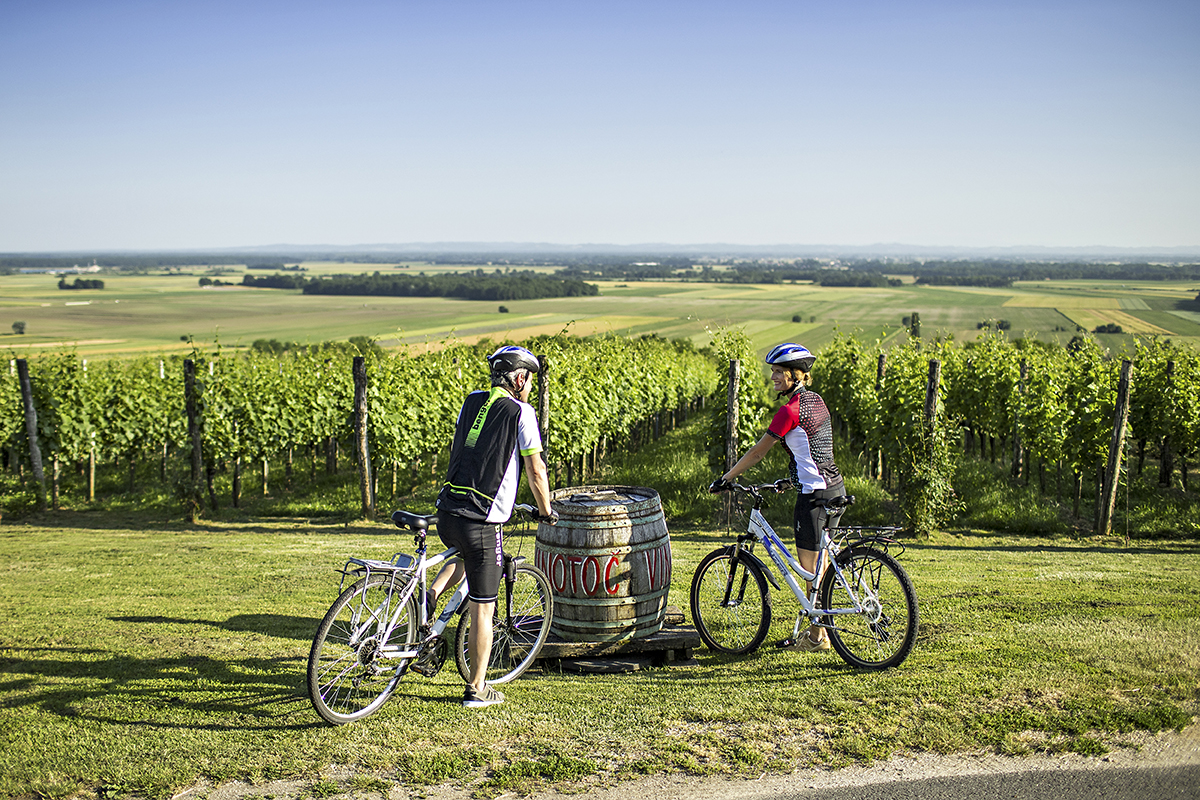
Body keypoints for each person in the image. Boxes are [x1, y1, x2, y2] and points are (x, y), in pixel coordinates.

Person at [428, 344, 557, 708]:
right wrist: (546, 510)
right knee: (482, 607)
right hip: (483, 518)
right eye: (529, 380)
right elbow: (536, 470)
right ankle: (478, 688)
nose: (530, 386)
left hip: (448, 512)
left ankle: (430, 597)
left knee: (464, 555)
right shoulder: (521, 411)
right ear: (519, 378)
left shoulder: (471, 401)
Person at [709, 342, 845, 652]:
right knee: (820, 567)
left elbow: (757, 453)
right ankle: (819, 632)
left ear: (797, 375)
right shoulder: (816, 401)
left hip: (815, 498)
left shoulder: (789, 411)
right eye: (773, 372)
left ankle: (816, 638)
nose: (773, 377)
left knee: (811, 570)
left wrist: (726, 478)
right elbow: (814, 448)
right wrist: (793, 479)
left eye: (779, 372)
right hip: (835, 487)